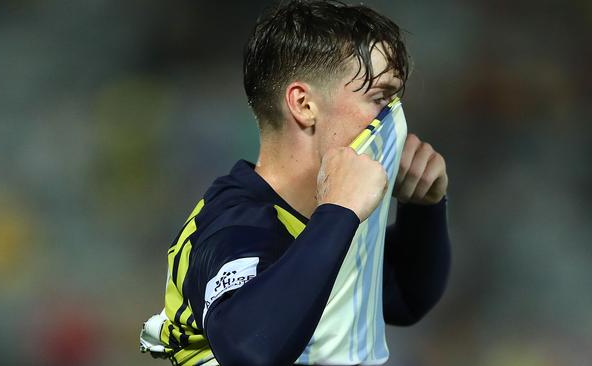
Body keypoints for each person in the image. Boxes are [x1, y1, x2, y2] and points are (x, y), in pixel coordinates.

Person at [139, 1, 451, 365]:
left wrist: (424, 207)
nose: (394, 120)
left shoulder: (324, 220)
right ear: (304, 105)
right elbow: (250, 351)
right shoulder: (232, 227)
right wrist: (339, 213)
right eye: (380, 98)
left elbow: (404, 299)